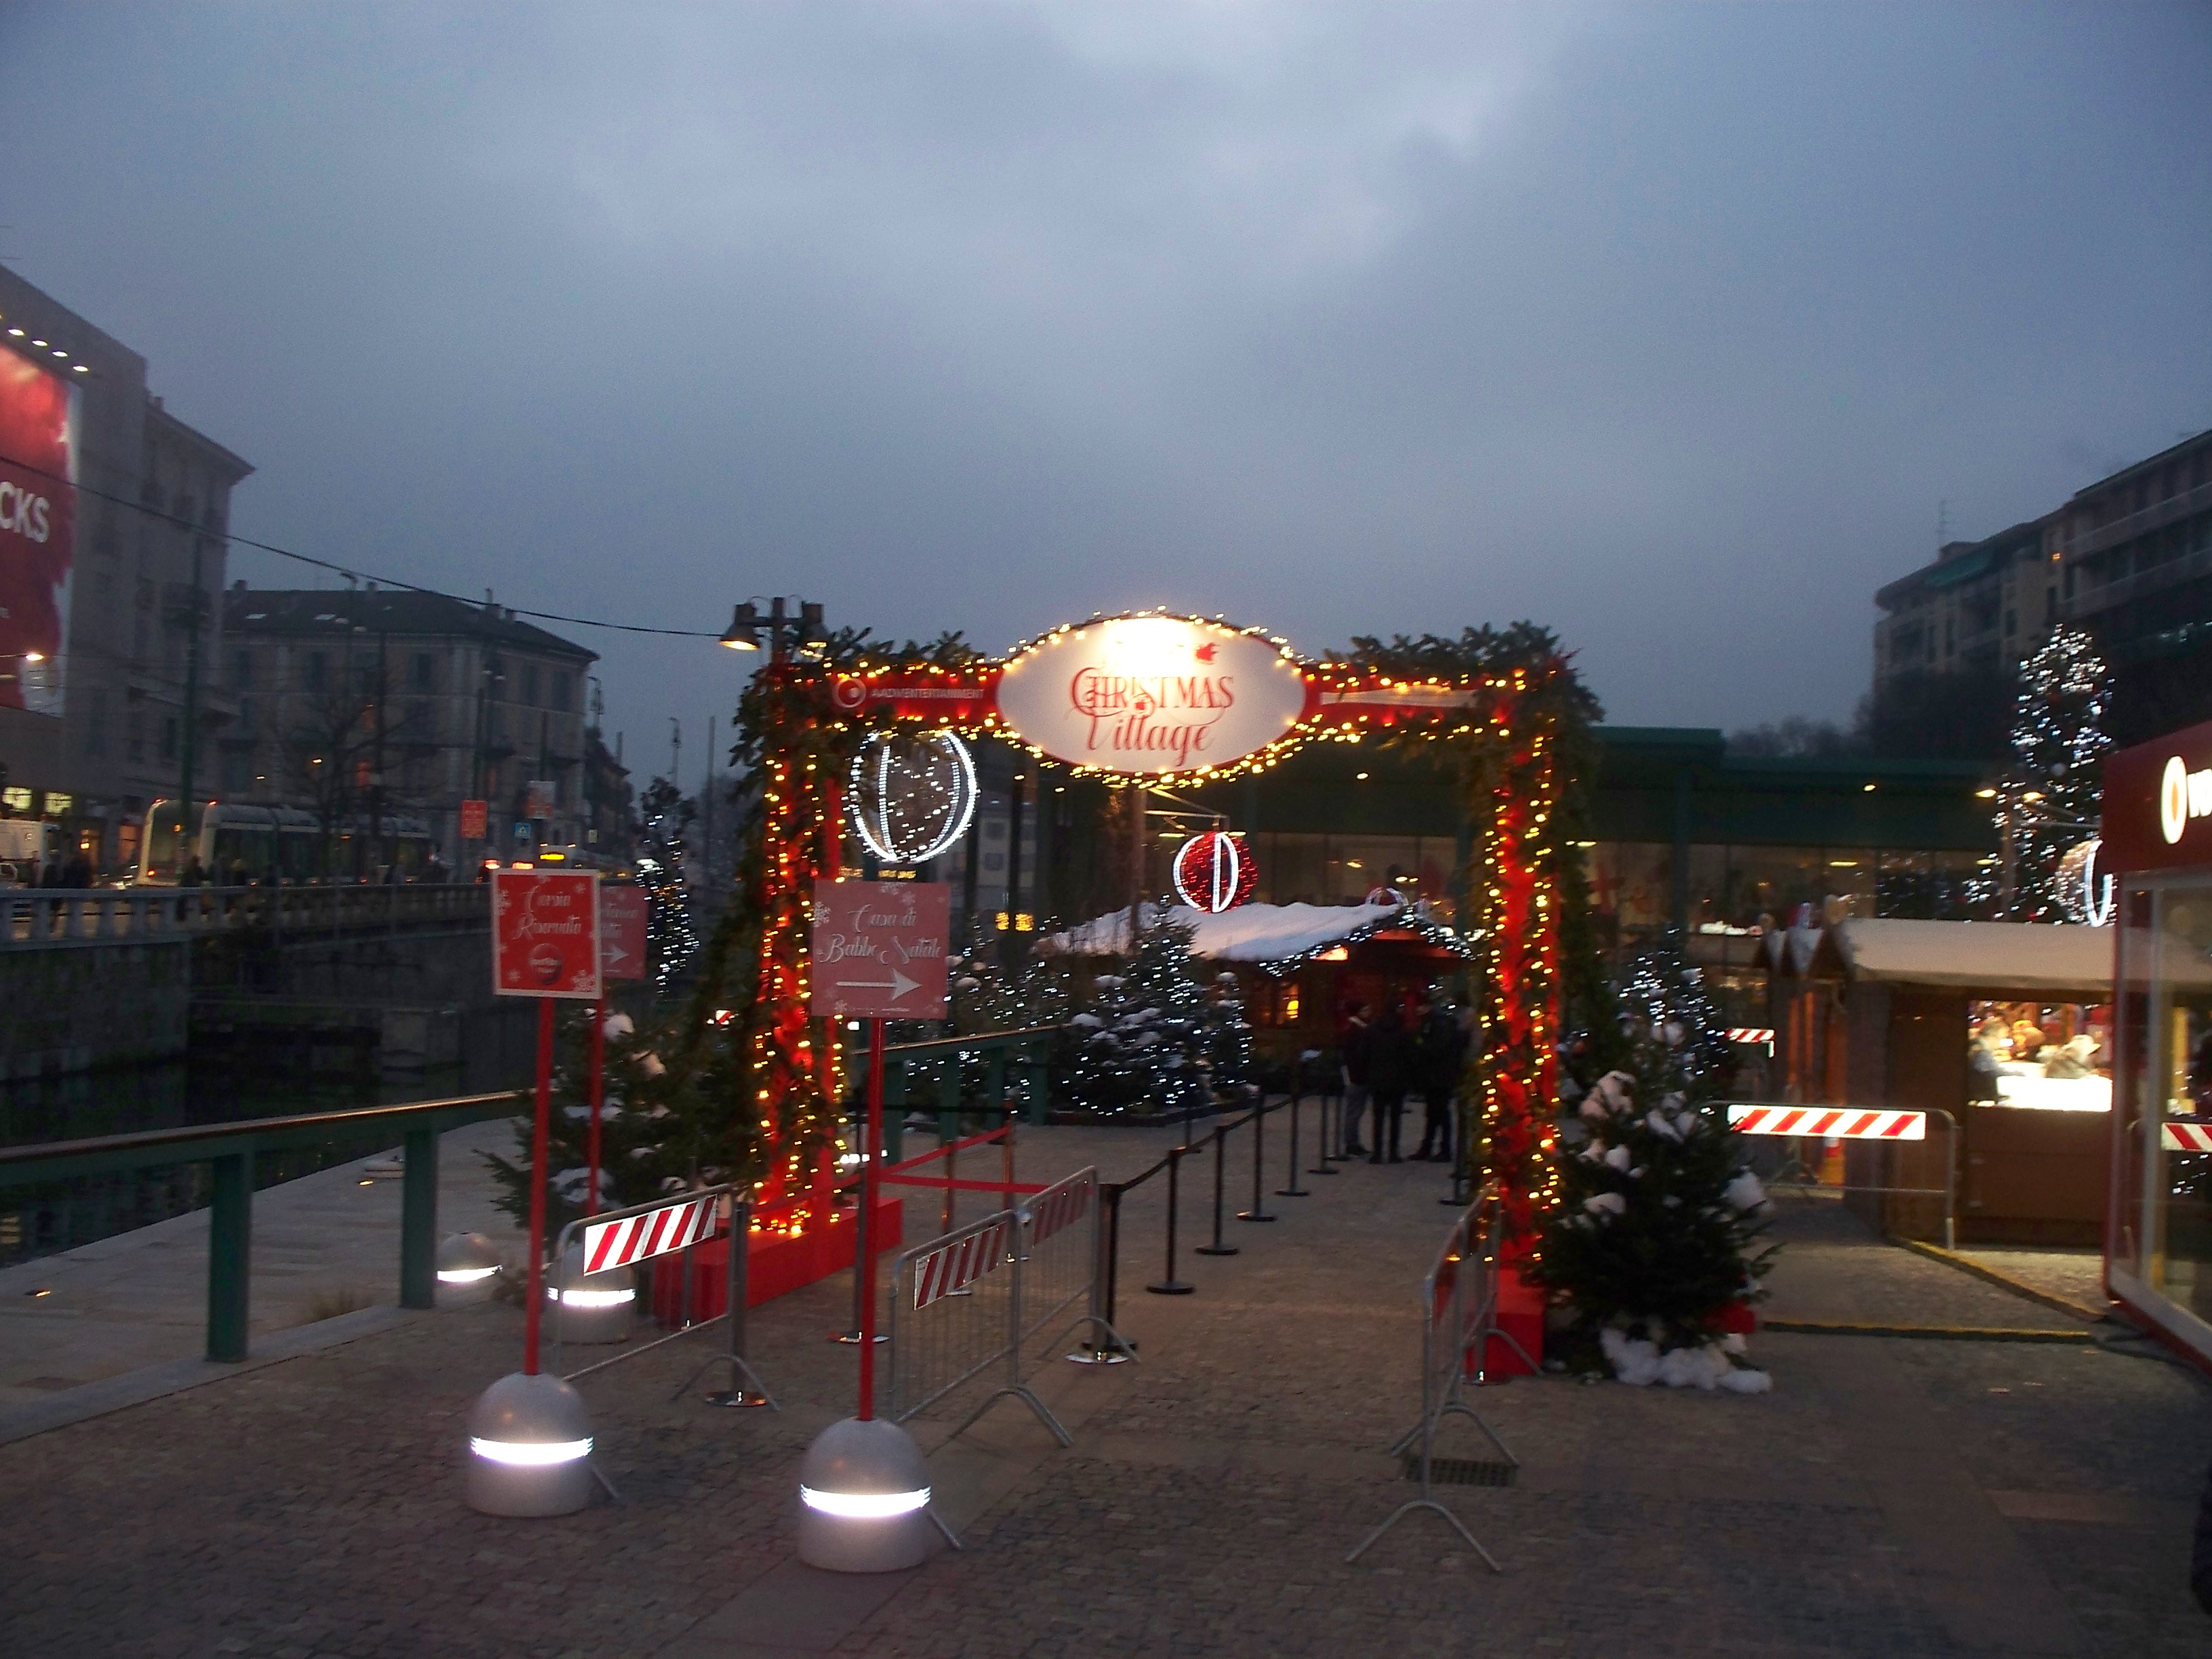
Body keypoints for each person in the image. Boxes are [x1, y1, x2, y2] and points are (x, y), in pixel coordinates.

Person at [1414, 997, 1467, 1162]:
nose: (1417, 1010)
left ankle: (1442, 1149)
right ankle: (1431, 1147)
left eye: (1419, 1006)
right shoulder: (1437, 1022)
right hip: (1440, 1075)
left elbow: (1435, 1049)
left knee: (1440, 1113)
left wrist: (1420, 1044)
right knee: (1436, 1112)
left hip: (1439, 1075)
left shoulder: (1437, 1024)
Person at [1368, 1002, 1413, 1164]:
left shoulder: (1373, 1029)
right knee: (1395, 1118)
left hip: (1378, 1078)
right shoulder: (1403, 1031)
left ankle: (1377, 1152)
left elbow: (1365, 1053)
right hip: (1397, 1080)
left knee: (1378, 1118)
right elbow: (1410, 1056)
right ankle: (1393, 1152)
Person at [1339, 1002, 1374, 1157]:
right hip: (1358, 1076)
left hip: (1357, 1075)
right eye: (1365, 1009)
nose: (1369, 1012)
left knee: (1355, 1111)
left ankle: (1353, 1141)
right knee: (1354, 1111)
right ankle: (1351, 1143)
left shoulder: (1357, 1029)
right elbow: (1355, 1056)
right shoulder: (1356, 1031)